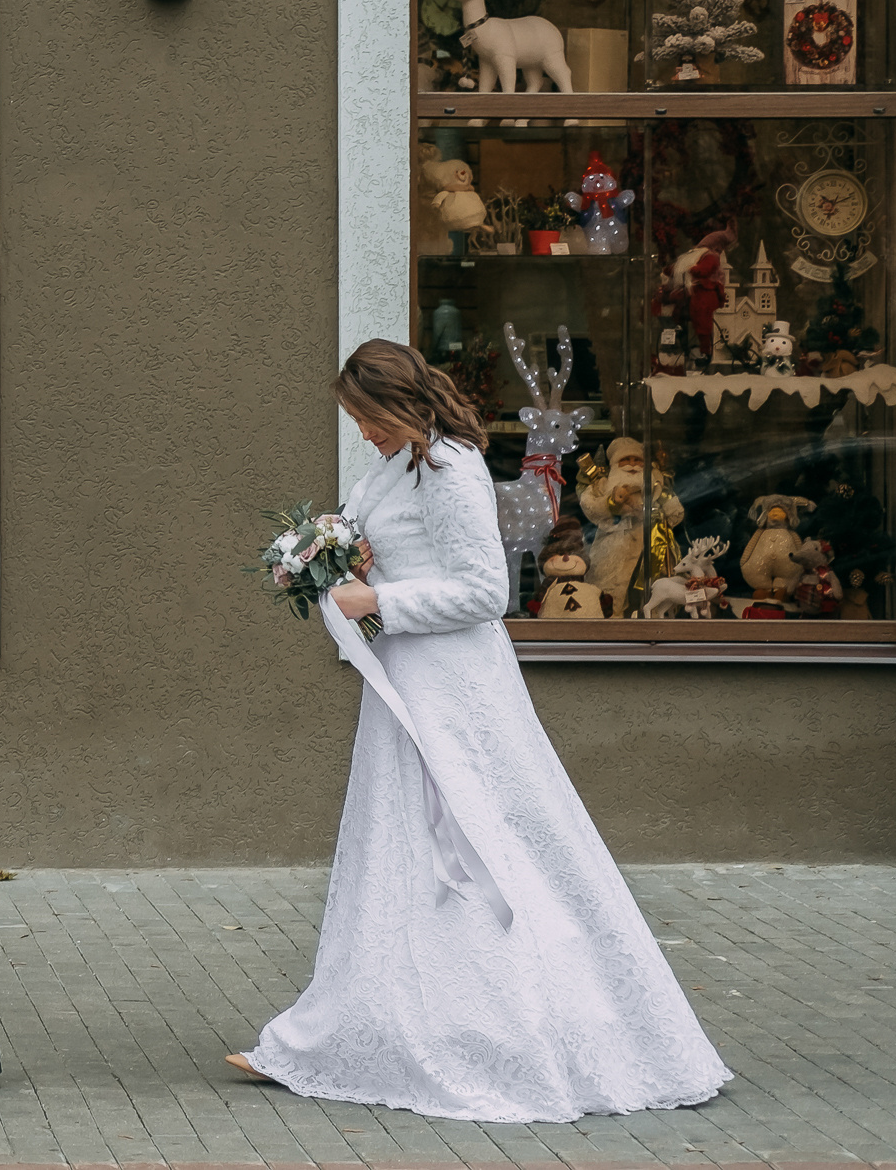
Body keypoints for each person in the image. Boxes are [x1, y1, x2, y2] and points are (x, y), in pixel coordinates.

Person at [228, 339, 730, 1122]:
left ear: (397, 403)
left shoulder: (451, 468)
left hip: (455, 692)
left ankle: (511, 1031)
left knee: (482, 847)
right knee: (402, 850)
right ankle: (361, 1024)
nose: (361, 432)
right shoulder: (393, 465)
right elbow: (374, 541)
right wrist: (324, 559)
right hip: (406, 687)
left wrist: (377, 604)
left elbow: (484, 590)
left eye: (366, 418)